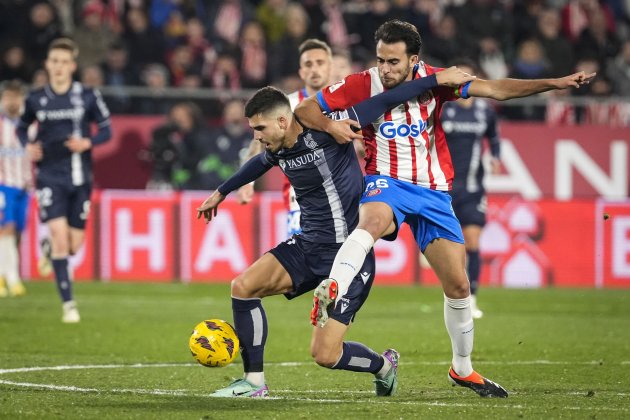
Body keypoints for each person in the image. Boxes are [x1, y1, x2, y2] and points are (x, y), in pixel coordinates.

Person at [295, 19, 595, 398]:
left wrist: (555, 83)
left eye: (393, 62)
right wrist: (332, 126)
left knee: (458, 285)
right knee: (371, 221)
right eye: (380, 60)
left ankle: (462, 369)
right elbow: (305, 109)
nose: (384, 70)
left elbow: (496, 90)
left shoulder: (440, 79)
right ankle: (334, 286)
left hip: (434, 193)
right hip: (386, 181)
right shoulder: (359, 83)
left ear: (414, 59)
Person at [196, 67, 474, 397]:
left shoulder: (333, 127)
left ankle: (383, 365)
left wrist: (436, 80)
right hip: (309, 245)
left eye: (260, 128)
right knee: (242, 287)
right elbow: (258, 164)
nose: (256, 136)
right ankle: (254, 382)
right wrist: (222, 191)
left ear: (283, 121)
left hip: (349, 256)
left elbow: (387, 98)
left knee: (325, 355)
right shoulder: (277, 148)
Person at [16, 38, 112, 323]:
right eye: (53, 61)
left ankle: (50, 252)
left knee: (72, 246)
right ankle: (69, 306)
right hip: (48, 177)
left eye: (63, 62)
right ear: (48, 64)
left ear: (72, 65)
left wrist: (88, 143)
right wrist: (27, 146)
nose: (58, 67)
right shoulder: (35, 99)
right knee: (59, 238)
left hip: (80, 178)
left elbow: (107, 130)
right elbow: (22, 127)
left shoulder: (88, 96)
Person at [237, 39, 334, 238]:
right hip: (300, 196)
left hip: (339, 192)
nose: (314, 69)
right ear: (301, 72)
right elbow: (259, 144)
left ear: (330, 67)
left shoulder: (345, 101)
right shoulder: (286, 105)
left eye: (320, 63)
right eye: (308, 64)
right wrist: (247, 181)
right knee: (304, 258)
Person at [441, 60, 501, 319]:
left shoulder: (484, 111)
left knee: (473, 242)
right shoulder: (445, 109)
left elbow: (494, 136)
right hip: (445, 186)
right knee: (451, 248)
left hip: (474, 187)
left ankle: (472, 297)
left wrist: (496, 156)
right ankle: (455, 293)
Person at [0, 80, 30, 298]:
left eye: (16, 97)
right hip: (3, 184)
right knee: (6, 228)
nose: (13, 101)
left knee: (17, 231)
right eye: (9, 97)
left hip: (24, 185)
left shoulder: (31, 125)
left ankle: (5, 273)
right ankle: (11, 278)